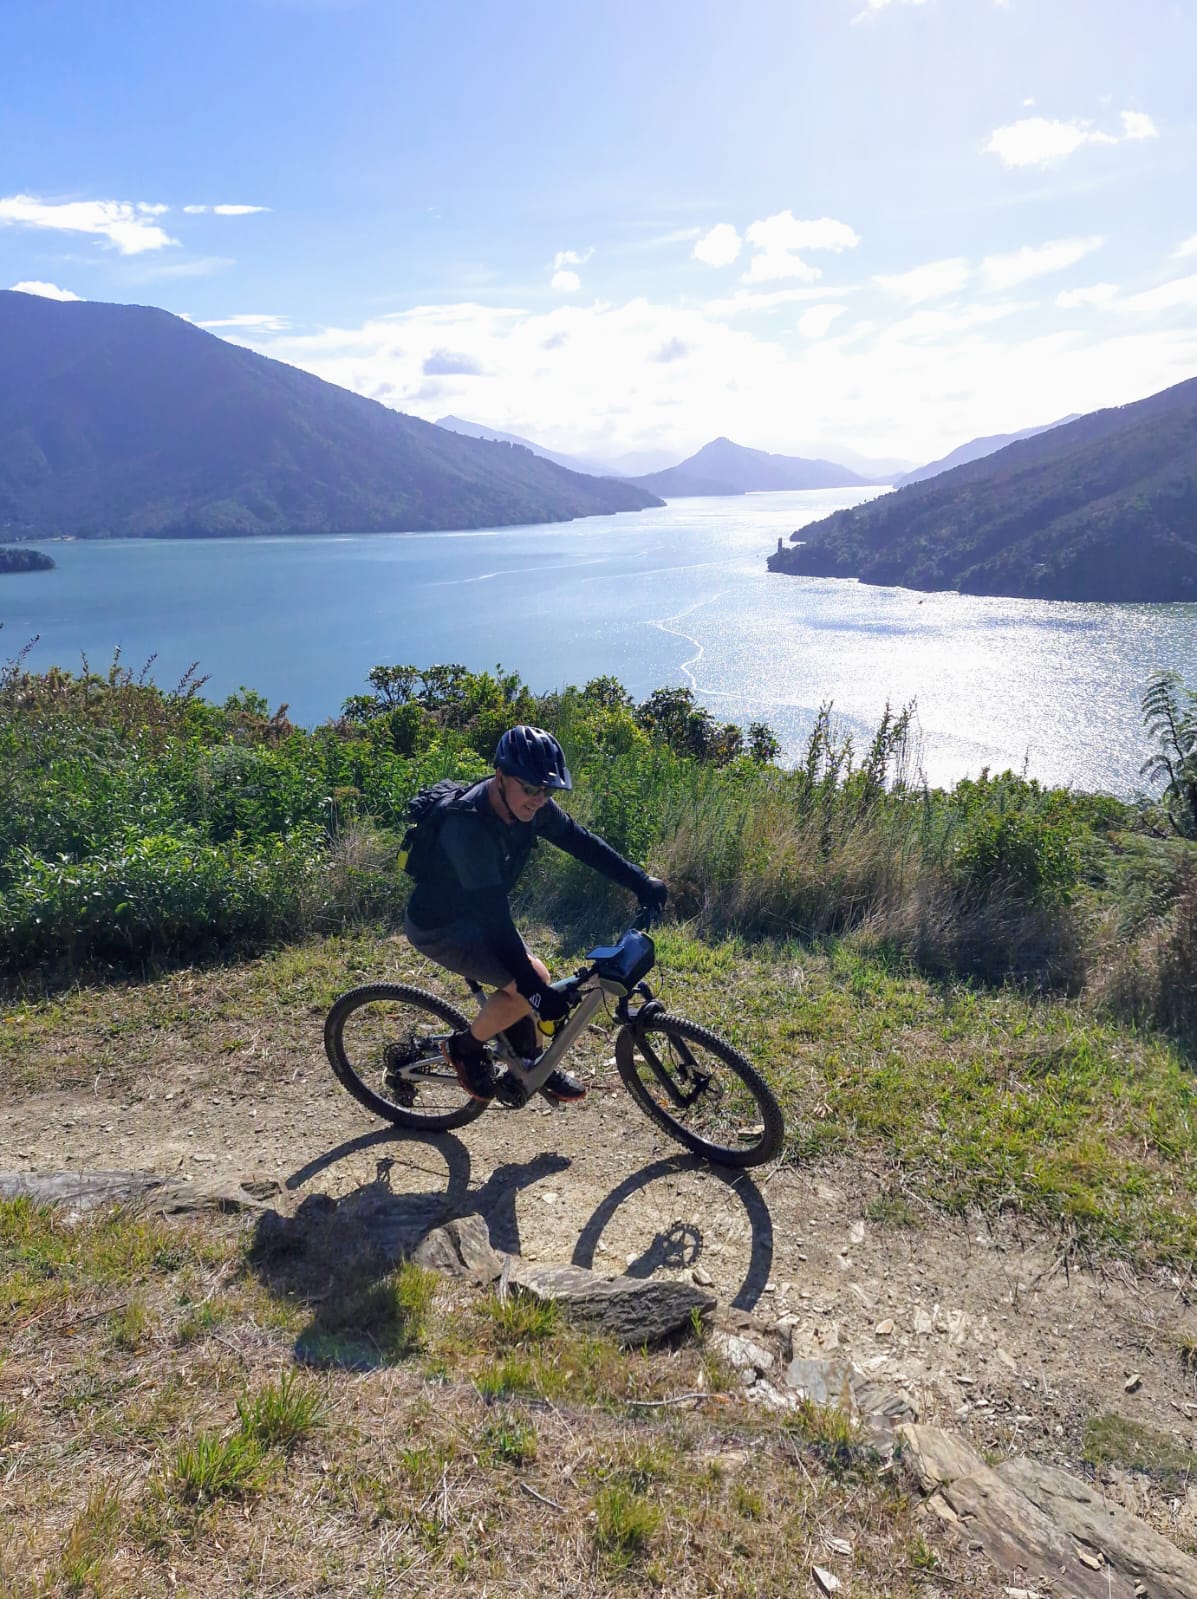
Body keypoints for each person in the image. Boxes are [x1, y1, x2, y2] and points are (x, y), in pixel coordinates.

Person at [403, 724, 668, 1105]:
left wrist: (640, 881)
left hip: (478, 914)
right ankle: (464, 1048)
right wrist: (535, 991)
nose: (540, 799)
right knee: (531, 983)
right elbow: (495, 923)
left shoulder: (531, 805)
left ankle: (530, 1065)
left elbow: (580, 841)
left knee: (532, 983)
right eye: (530, 789)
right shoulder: (467, 828)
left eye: (548, 791)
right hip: (440, 927)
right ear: (500, 777)